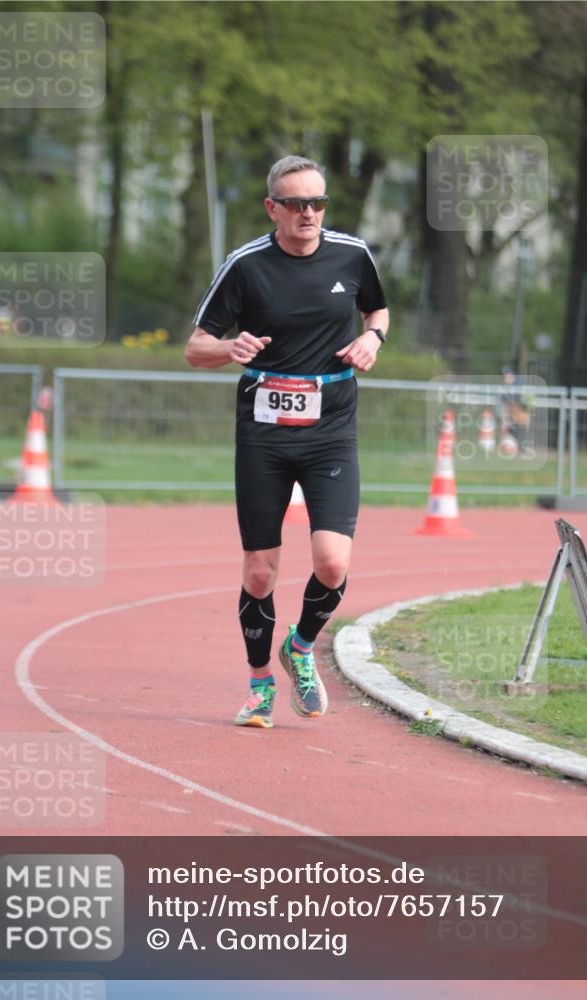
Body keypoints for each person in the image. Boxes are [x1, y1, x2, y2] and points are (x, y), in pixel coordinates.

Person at [185, 155, 390, 729]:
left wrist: (373, 336)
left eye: (317, 203)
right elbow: (195, 346)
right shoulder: (246, 265)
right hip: (263, 434)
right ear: (272, 207)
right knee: (259, 571)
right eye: (297, 203)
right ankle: (258, 687)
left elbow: (376, 307)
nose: (309, 213)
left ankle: (299, 648)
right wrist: (230, 349)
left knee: (331, 562)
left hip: (330, 428)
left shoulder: (352, 254)